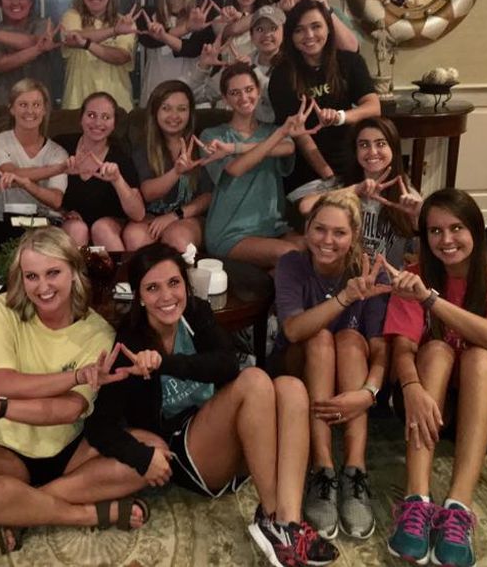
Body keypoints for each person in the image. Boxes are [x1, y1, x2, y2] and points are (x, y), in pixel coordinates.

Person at [84, 242, 339, 567]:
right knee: (254, 380)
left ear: (185, 284)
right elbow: (99, 425)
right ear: (140, 296)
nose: (166, 296)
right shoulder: (130, 340)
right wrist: (142, 457)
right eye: (152, 288)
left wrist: (165, 363)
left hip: (230, 436)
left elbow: (226, 364)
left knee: (291, 388)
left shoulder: (195, 312)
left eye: (174, 283)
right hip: (188, 451)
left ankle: (287, 522)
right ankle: (273, 517)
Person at [0, 227, 146, 555]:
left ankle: (22, 508)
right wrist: (75, 376)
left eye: (53, 273)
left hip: (69, 449)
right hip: (3, 445)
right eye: (31, 276)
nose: (43, 287)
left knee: (152, 453)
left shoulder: (99, 333)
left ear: (74, 272)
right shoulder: (0, 310)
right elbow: (4, 383)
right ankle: (85, 514)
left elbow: (68, 410)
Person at [385, 189, 487, 567]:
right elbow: (402, 349)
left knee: (479, 356)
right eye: (435, 231)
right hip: (435, 404)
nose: (446, 240)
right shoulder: (414, 278)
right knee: (435, 350)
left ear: (476, 231)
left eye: (456, 228)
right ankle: (417, 500)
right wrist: (411, 388)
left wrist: (431, 300)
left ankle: (458, 508)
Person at [273, 192, 390, 541]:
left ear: (354, 235)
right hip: (298, 366)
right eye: (320, 229)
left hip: (352, 373)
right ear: (307, 229)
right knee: (321, 338)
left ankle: (354, 470)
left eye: (339, 233)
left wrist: (369, 393)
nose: (327, 240)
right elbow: (293, 330)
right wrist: (345, 297)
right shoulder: (292, 264)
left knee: (351, 340)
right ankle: (322, 468)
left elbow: (380, 347)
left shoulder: (368, 271)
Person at [269, 0, 380, 196]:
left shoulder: (350, 62)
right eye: (299, 30)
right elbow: (300, 135)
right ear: (291, 36)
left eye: (316, 26)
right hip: (308, 174)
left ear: (328, 28)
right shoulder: (282, 75)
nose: (309, 35)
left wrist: (340, 117)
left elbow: (373, 106)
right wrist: (330, 178)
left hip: (353, 164)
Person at [199, 63, 305, 269]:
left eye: (249, 90)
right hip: (231, 231)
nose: (244, 97)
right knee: (288, 254)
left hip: (272, 227)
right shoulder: (212, 135)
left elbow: (288, 148)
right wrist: (279, 135)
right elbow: (236, 169)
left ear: (258, 91)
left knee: (312, 246)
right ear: (225, 98)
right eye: (235, 93)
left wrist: (234, 148)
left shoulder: (272, 132)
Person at [298, 117, 421, 269]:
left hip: (388, 278)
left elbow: (422, 249)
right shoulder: (343, 186)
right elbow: (306, 206)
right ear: (355, 151)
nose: (372, 152)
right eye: (364, 145)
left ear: (393, 148)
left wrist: (416, 217)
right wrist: (356, 189)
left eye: (381, 144)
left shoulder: (407, 193)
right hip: (345, 277)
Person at [123, 80, 212, 254]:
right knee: (135, 236)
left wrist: (175, 216)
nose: (174, 115)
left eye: (181, 109)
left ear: (190, 113)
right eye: (166, 108)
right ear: (155, 112)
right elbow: (148, 192)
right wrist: (176, 172)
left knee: (177, 238)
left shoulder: (201, 144)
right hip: (150, 217)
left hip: (188, 216)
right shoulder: (143, 148)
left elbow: (208, 196)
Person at [0, 78, 69, 247]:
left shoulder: (58, 153)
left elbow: (55, 200)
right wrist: (58, 169)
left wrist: (27, 184)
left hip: (41, 220)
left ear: (44, 109)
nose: (30, 111)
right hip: (1, 218)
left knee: (45, 236)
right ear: (11, 109)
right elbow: (10, 173)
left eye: (36, 105)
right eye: (23, 105)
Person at [54, 91, 145, 249]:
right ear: (81, 118)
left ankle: (112, 266)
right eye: (91, 115)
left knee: (102, 229)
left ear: (114, 124)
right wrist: (61, 212)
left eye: (106, 117)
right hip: (71, 222)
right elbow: (44, 191)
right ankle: (81, 266)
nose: (97, 123)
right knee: (77, 229)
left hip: (109, 223)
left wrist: (117, 180)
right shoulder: (61, 146)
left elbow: (138, 214)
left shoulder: (120, 156)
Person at [136, 0, 217, 106]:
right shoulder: (148, 13)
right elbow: (149, 40)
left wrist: (163, 35)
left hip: (193, 93)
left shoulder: (202, 13)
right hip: (155, 92)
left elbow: (193, 49)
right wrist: (186, 28)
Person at [60, 0, 137, 110]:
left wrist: (86, 44)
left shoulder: (124, 22)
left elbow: (121, 57)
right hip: (77, 103)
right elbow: (71, 38)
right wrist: (114, 31)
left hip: (117, 104)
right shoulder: (71, 16)